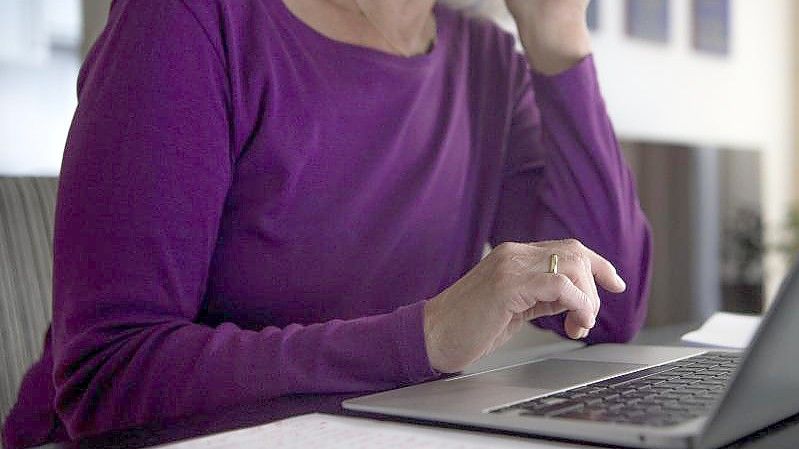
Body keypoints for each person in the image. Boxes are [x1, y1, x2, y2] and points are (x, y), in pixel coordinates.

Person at [2, 0, 652, 447]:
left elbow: (607, 314)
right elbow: (107, 379)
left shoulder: (487, 63)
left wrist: (559, 33)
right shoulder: (190, 20)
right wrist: (421, 337)